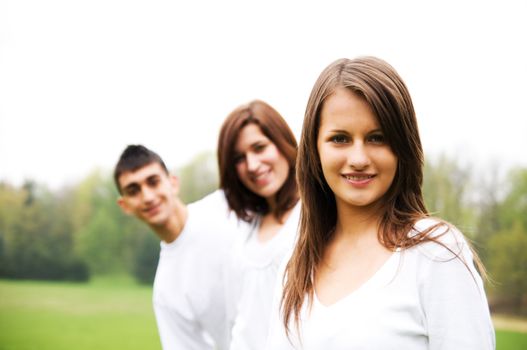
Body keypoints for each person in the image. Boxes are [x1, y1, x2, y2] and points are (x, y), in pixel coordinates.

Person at [265, 57, 495, 349]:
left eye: (377, 138)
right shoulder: (294, 268)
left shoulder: (437, 254)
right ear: (315, 149)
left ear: (403, 147)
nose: (359, 159)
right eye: (340, 138)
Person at [114, 144, 242, 350]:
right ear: (125, 206)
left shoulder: (229, 205)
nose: (147, 196)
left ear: (173, 183)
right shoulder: (165, 292)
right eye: (133, 190)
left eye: (153, 182)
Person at [217, 100, 301, 350]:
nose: (253, 165)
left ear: (284, 143)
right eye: (239, 158)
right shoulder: (245, 228)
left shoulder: (314, 216)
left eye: (259, 147)